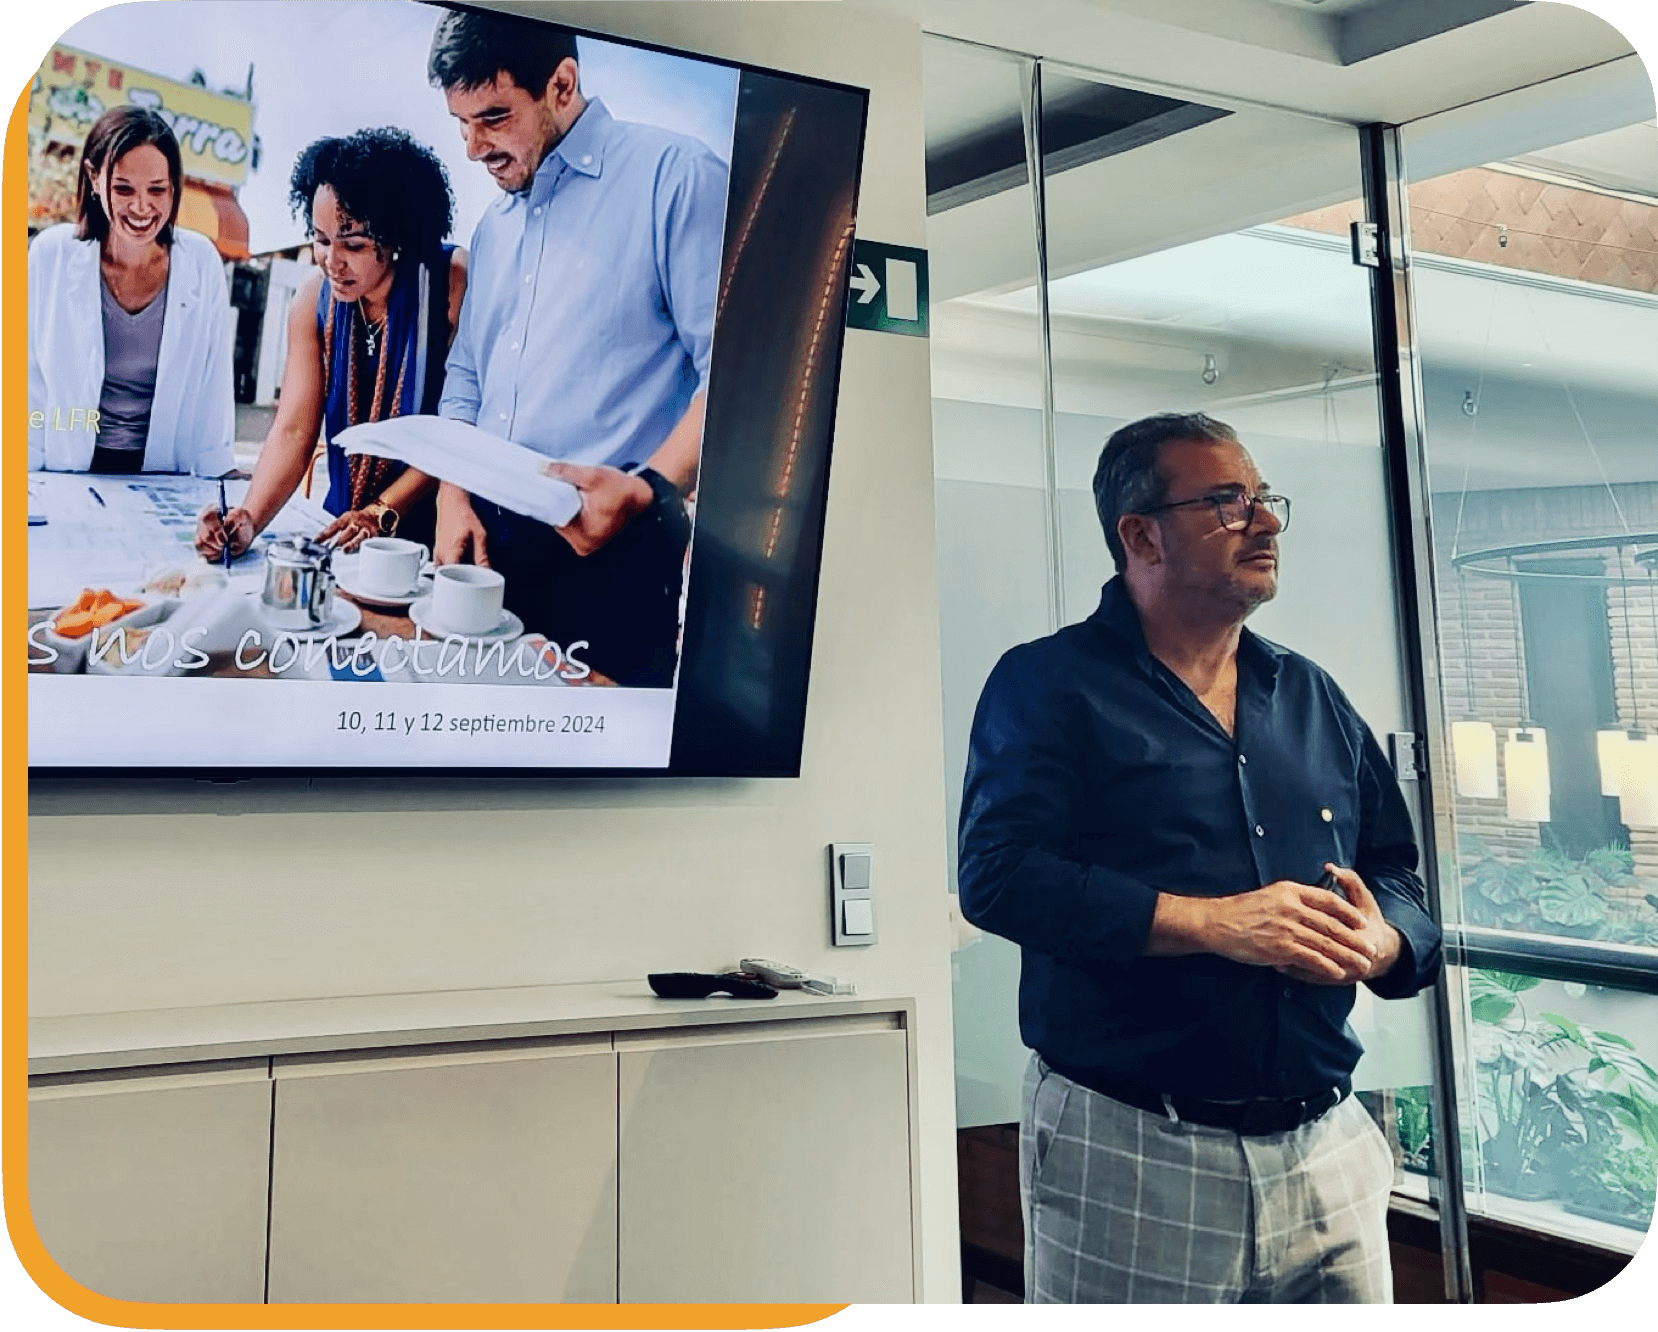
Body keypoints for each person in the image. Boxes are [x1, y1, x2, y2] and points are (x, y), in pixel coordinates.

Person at [957, 413, 1442, 1304]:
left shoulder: (1311, 694)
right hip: (1136, 1147)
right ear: (1139, 533)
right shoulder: (1047, 685)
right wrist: (1211, 924)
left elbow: (1399, 875)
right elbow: (998, 875)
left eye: (1262, 500)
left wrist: (1385, 945)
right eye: (1226, 502)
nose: (1264, 523)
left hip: (1329, 1145)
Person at [426, 8, 728, 686]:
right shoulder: (494, 227)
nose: (473, 148)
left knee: (592, 784)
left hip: (615, 558)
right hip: (485, 553)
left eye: (494, 118)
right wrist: (452, 497)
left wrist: (648, 490)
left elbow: (738, 375)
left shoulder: (677, 177)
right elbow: (467, 376)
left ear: (561, 85)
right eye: (462, 124)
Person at [195, 128, 467, 561]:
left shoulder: (449, 284)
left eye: (354, 244)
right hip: (342, 535)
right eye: (321, 239)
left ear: (398, 235)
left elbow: (460, 432)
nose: (332, 260)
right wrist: (248, 518)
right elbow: (294, 430)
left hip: (435, 543)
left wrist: (380, 513)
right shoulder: (311, 300)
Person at [28, 106, 234, 476]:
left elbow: (214, 381)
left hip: (164, 472)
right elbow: (25, 378)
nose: (141, 207)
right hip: (64, 467)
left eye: (157, 190)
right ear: (94, 178)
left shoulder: (201, 261)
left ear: (175, 187)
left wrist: (217, 469)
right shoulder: (50, 254)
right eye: (123, 188)